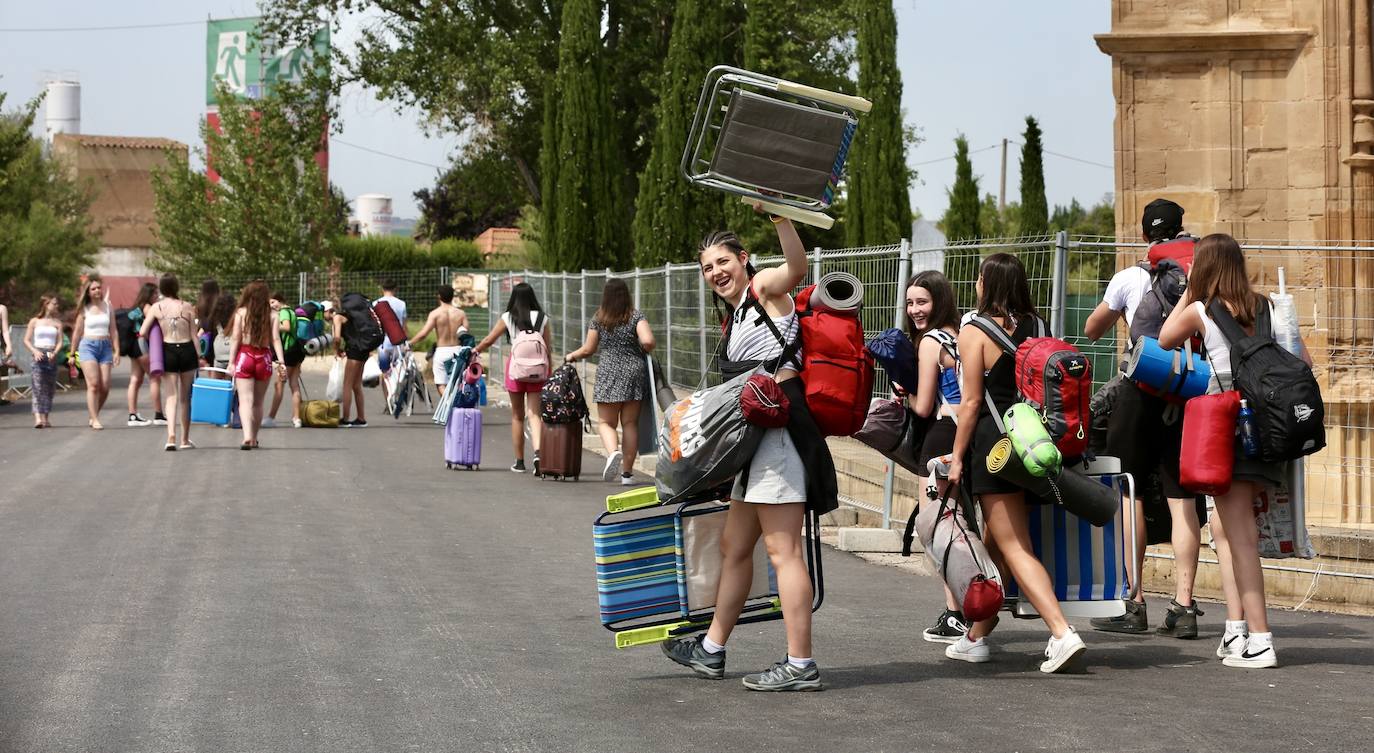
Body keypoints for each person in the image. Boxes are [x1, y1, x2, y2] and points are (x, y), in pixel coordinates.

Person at [659, 215, 838, 693]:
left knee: (784, 552)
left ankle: (801, 664)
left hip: (778, 438)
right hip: (753, 444)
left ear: (742, 260)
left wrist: (780, 220)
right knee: (734, 547)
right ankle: (712, 650)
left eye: (723, 262)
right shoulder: (736, 312)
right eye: (707, 267)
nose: (716, 271)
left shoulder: (763, 289)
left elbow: (796, 268)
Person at [1159, 233, 1306, 669]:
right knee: (1225, 530)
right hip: (1268, 429)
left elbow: (1165, 337)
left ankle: (1261, 638)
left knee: (1239, 536)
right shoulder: (1270, 307)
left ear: (1203, 268)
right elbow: (1304, 361)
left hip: (1229, 430)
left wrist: (1190, 289)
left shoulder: (1202, 310)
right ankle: (1236, 629)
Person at [946, 253, 1086, 673]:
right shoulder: (1039, 325)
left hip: (996, 448)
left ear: (986, 283)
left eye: (977, 278)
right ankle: (975, 636)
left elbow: (970, 402)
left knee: (1013, 545)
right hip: (1035, 442)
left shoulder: (974, 331)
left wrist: (956, 458)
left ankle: (1062, 633)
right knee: (998, 544)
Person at [1083, 198, 1205, 638]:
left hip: (1139, 392)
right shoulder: (1200, 273)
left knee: (1129, 491)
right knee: (1182, 500)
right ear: (1182, 230)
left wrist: (1119, 311)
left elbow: (1091, 329)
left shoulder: (1130, 277)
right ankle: (1185, 606)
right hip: (1188, 393)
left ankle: (1134, 603)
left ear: (1143, 236)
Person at [902, 270, 972, 645]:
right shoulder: (963, 334)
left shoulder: (930, 342)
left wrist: (904, 393)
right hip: (971, 435)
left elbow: (925, 406)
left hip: (941, 434)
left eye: (922, 301)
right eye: (910, 302)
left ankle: (955, 613)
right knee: (966, 525)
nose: (914, 309)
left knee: (940, 527)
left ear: (939, 300)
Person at [565, 278, 655, 485]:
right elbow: (648, 341)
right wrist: (643, 348)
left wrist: (572, 356)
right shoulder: (636, 316)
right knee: (630, 423)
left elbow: (589, 349)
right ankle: (627, 474)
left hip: (609, 371)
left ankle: (613, 452)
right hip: (634, 370)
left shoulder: (599, 318)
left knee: (606, 422)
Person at [473, 282, 551, 473]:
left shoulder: (508, 317)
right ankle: (539, 452)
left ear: (514, 298)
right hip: (538, 371)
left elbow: (489, 340)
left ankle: (519, 461)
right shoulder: (542, 318)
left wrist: (475, 350)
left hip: (516, 370)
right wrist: (549, 372)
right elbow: (548, 348)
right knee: (535, 414)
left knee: (517, 415)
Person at [140, 274, 202, 450]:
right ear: (177, 287)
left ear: (161, 288)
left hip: (168, 350)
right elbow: (194, 335)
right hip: (187, 349)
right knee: (185, 398)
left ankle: (171, 436)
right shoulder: (187, 306)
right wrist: (200, 356)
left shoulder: (156, 307)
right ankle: (185, 439)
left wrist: (155, 338)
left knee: (171, 396)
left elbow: (143, 330)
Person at [228, 281, 287, 449]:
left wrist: (232, 362)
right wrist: (281, 362)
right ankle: (254, 437)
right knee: (258, 402)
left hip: (245, 356)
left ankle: (246, 436)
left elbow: (235, 338)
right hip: (264, 357)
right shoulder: (273, 315)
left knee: (245, 400)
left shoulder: (241, 313)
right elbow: (276, 339)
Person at [71, 275, 121, 429]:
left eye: (99, 287)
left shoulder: (108, 306)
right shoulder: (84, 309)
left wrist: (117, 350)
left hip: (105, 346)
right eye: (93, 288)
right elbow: (77, 332)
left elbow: (113, 329)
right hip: (88, 346)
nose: (97, 290)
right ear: (88, 291)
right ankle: (95, 418)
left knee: (105, 386)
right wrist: (72, 354)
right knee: (93, 384)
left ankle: (94, 414)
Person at [409, 285, 469, 396]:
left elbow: (424, 333)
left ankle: (448, 404)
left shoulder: (435, 314)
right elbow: (466, 333)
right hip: (458, 350)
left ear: (439, 296)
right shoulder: (461, 314)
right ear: (452, 297)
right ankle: (455, 402)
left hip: (442, 351)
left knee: (441, 383)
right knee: (458, 382)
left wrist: (410, 342)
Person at [120, 282, 162, 427]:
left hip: (133, 345)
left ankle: (132, 415)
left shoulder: (137, 307)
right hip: (142, 344)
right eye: (155, 293)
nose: (157, 296)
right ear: (149, 294)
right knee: (154, 378)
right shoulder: (148, 308)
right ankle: (159, 414)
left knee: (135, 379)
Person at [23, 295, 63, 428]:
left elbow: (60, 342)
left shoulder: (57, 323)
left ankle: (46, 417)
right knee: (38, 387)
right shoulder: (34, 321)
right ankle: (38, 418)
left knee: (49, 388)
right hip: (38, 355)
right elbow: (26, 340)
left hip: (51, 354)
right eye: (54, 303)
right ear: (46, 304)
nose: (56, 306)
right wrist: (34, 351)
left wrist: (55, 352)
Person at [267, 291, 305, 428]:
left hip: (288, 353)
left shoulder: (283, 312)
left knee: (279, 384)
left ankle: (271, 417)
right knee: (294, 385)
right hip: (297, 351)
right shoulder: (292, 311)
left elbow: (287, 327)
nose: (271, 306)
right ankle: (297, 418)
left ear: (279, 300)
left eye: (273, 302)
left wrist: (272, 325)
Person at [332, 298, 371, 427]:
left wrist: (336, 350)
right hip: (363, 350)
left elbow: (337, 338)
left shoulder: (337, 317)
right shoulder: (354, 317)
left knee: (347, 385)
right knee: (356, 385)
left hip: (354, 351)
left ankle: (346, 419)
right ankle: (361, 418)